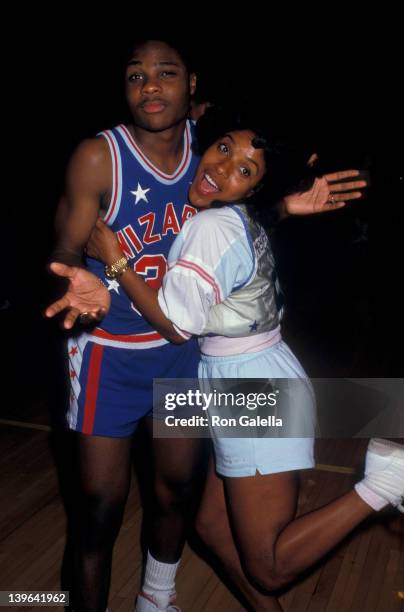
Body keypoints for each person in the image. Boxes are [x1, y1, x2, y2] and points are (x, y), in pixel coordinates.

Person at [47, 115, 402, 612]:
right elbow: (248, 221)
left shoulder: (210, 225)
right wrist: (281, 202)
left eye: (244, 170)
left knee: (270, 566)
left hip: (252, 383)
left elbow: (174, 326)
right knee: (211, 525)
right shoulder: (239, 217)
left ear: (253, 188)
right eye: (222, 149)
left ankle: (386, 481)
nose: (221, 167)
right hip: (254, 375)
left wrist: (117, 260)